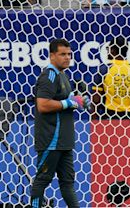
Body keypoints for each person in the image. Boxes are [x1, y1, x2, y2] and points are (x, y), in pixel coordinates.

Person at [31, 39, 90, 208]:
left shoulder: (62, 75)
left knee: (68, 182)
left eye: (69, 54)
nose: (67, 58)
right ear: (51, 56)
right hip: (51, 140)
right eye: (62, 54)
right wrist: (68, 103)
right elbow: (42, 104)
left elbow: (66, 101)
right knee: (42, 180)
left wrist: (78, 101)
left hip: (64, 141)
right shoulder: (48, 76)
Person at [92, 36, 130, 119]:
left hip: (109, 116)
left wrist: (94, 121)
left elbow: (96, 100)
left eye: (108, 48)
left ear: (113, 50)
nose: (107, 51)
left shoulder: (104, 70)